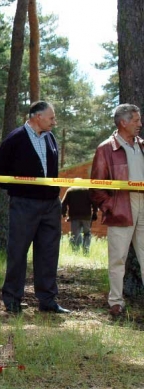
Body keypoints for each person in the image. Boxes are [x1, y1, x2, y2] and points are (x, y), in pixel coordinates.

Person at [0, 100, 70, 314]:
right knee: (18, 252)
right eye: (51, 118)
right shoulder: (15, 139)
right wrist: (19, 190)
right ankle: (13, 300)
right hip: (24, 205)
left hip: (50, 205)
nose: (54, 121)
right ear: (37, 117)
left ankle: (48, 300)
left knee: (48, 253)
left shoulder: (51, 138)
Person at [90, 103, 144, 317]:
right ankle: (116, 302)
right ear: (123, 122)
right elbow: (96, 186)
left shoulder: (142, 145)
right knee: (117, 258)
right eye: (136, 120)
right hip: (121, 205)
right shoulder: (105, 149)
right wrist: (110, 206)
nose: (140, 124)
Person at [61, 186, 98, 254]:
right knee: (87, 234)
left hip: (74, 217)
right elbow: (94, 202)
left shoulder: (70, 190)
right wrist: (95, 212)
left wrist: (64, 213)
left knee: (75, 234)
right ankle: (85, 251)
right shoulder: (88, 190)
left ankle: (75, 251)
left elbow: (64, 203)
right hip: (86, 217)